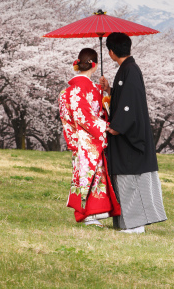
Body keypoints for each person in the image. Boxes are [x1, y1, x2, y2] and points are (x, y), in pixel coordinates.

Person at [99, 32, 167, 234]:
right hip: (126, 134)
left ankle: (135, 224)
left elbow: (131, 104)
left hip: (130, 137)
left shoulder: (130, 70)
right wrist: (110, 90)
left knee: (131, 178)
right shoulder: (127, 70)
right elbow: (124, 99)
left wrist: (118, 126)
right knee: (125, 178)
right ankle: (130, 223)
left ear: (111, 52)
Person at [58, 47, 121, 226]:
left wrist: (74, 137)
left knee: (84, 175)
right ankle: (92, 214)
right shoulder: (94, 90)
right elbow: (90, 116)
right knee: (94, 175)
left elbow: (67, 119)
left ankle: (88, 214)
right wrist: (106, 126)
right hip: (93, 138)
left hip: (79, 140)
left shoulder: (65, 93)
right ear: (94, 66)